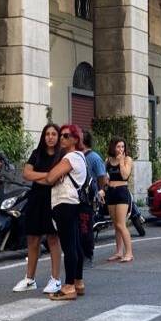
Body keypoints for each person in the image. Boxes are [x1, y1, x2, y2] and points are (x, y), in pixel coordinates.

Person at [12, 124, 63, 294]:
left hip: (54, 199)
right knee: (32, 239)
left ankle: (55, 279)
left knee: (53, 239)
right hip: (35, 198)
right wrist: (48, 176)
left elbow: (57, 179)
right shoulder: (36, 153)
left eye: (54, 134)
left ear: (58, 137)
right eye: (47, 134)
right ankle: (29, 278)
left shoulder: (62, 155)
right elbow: (27, 174)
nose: (50, 137)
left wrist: (43, 177)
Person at [46, 124, 87, 300]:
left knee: (69, 246)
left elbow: (49, 177)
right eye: (61, 135)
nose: (61, 138)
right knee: (76, 244)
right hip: (73, 203)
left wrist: (53, 175)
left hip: (65, 204)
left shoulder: (71, 157)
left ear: (75, 139)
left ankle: (69, 286)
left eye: (65, 136)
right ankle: (78, 282)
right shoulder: (79, 157)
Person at [105, 137, 134, 262]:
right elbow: (106, 177)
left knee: (121, 224)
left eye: (123, 147)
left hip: (122, 191)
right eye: (118, 146)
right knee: (116, 225)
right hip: (111, 192)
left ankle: (129, 253)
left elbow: (125, 175)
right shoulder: (108, 160)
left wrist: (121, 161)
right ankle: (118, 251)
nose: (121, 149)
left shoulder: (127, 159)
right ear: (113, 147)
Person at [81, 130, 108, 262]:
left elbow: (101, 176)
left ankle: (88, 254)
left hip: (89, 197)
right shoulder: (76, 156)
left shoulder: (94, 157)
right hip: (76, 197)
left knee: (86, 227)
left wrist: (101, 190)